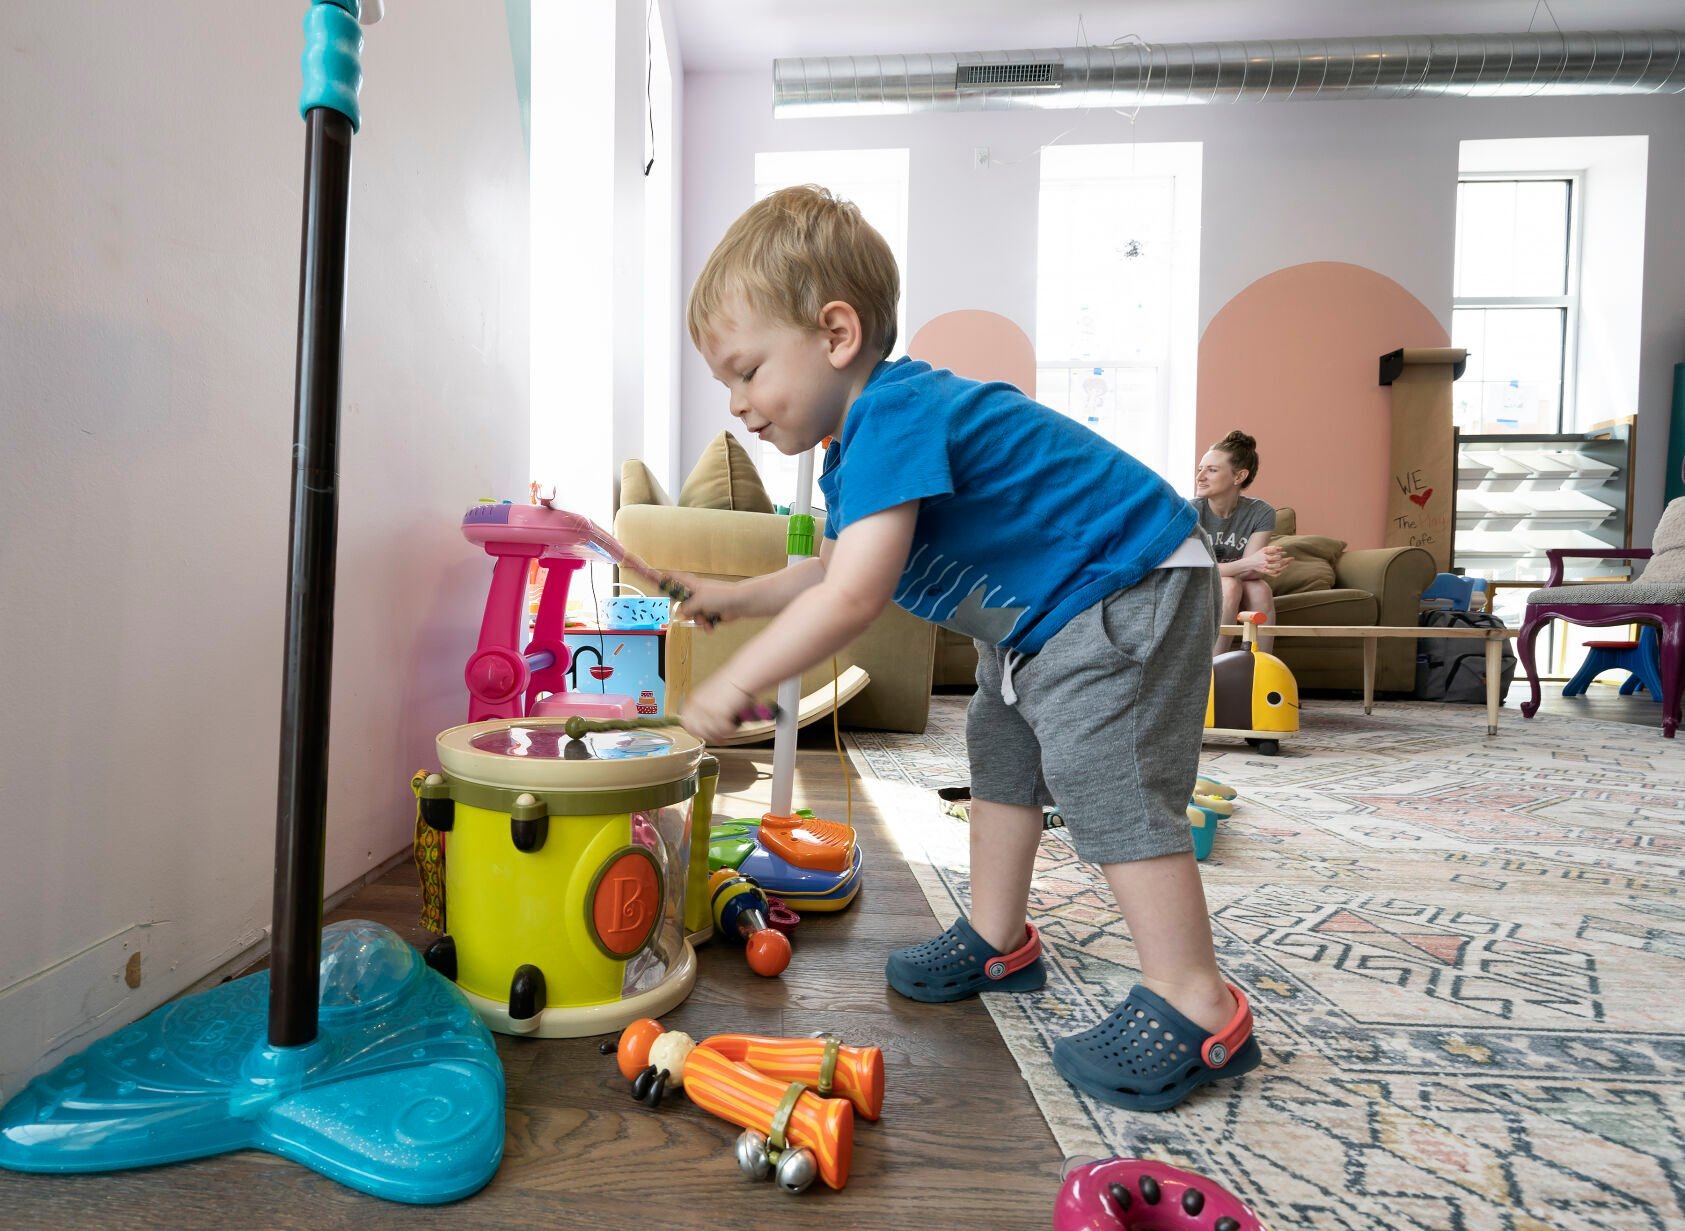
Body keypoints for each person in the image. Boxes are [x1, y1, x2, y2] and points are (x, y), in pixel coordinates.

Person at [666, 185, 1260, 1112]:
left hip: (1124, 584)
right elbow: (831, 566)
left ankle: (1198, 999)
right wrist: (732, 597)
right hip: (1043, 619)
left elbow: (857, 596)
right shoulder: (858, 444)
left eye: (745, 372)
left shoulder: (895, 411)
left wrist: (743, 676)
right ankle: (996, 935)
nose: (737, 404)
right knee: (1000, 760)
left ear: (834, 333)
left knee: (1110, 777)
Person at [1193, 432, 1284, 654]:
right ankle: (1213, 674)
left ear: (1239, 476)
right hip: (1197, 586)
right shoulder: (1191, 512)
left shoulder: (1260, 512)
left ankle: (1260, 674)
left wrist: (1257, 564)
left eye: (1212, 470)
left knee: (1260, 589)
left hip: (1236, 582)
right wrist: (1250, 563)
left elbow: (1254, 572)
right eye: (1200, 469)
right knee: (1230, 586)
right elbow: (1196, 571)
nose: (1200, 477)